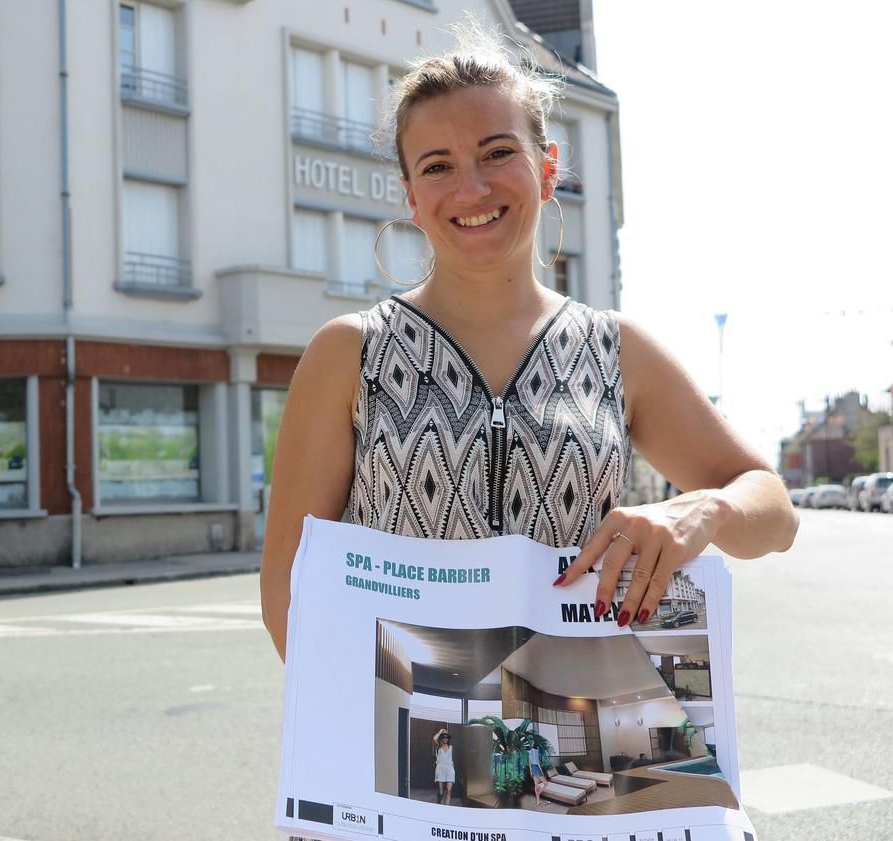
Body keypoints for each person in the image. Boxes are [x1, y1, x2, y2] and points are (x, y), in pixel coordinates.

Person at [260, 17, 797, 661]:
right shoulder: (349, 353)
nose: (472, 187)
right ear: (410, 197)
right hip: (407, 731)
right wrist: (374, 727)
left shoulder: (617, 349)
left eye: (496, 152)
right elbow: (288, 594)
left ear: (547, 169)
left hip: (584, 725)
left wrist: (703, 510)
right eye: (438, 166)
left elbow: (774, 509)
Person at [432, 729, 455, 805]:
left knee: (449, 790)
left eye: (447, 737)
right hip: (440, 768)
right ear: (441, 738)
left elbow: (452, 759)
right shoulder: (439, 746)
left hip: (449, 768)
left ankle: (447, 807)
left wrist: (453, 768)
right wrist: (440, 731)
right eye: (444, 737)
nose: (445, 739)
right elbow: (434, 738)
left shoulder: (451, 747)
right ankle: (439, 803)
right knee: (441, 791)